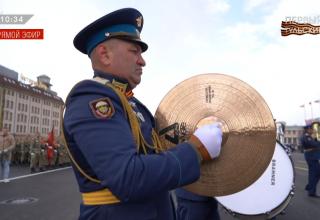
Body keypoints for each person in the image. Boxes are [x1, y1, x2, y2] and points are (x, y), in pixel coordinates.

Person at [63, 8, 223, 220]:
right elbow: (128, 178)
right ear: (105, 54)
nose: (142, 61)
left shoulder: (130, 103)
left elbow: (159, 155)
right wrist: (197, 149)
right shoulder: (92, 98)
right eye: (134, 51)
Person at [300, 124, 320, 198]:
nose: (313, 130)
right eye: (311, 129)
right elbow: (315, 145)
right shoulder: (306, 137)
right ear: (308, 129)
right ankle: (311, 190)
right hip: (311, 156)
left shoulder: (310, 137)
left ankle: (311, 189)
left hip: (313, 156)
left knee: (314, 173)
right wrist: (316, 140)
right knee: (314, 173)